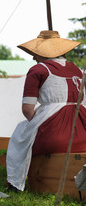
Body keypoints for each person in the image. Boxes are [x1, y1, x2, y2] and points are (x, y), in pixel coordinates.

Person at [6, 30, 85, 192]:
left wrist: (40, 125)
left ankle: (14, 183)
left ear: (45, 53)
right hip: (81, 123)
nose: (33, 57)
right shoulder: (77, 70)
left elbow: (27, 109)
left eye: (36, 53)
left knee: (20, 136)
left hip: (53, 128)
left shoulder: (38, 70)